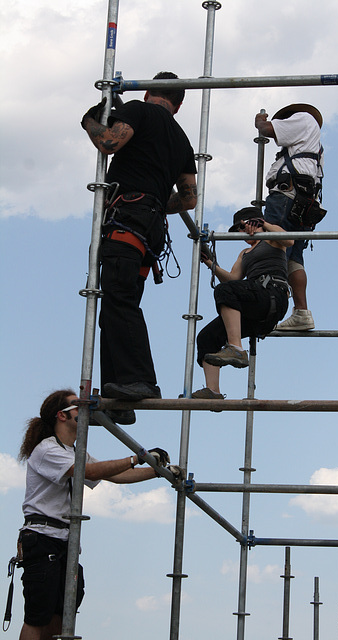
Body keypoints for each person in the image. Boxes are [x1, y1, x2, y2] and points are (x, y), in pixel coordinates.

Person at [17, 389, 181, 640]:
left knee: (60, 615)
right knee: (37, 615)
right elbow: (92, 472)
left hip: (64, 539)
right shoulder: (47, 449)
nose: (85, 408)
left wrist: (157, 471)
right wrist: (136, 458)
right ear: (61, 415)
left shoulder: (73, 451)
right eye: (77, 405)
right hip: (42, 537)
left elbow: (113, 475)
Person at [81, 72, 197, 421]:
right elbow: (189, 199)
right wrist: (157, 201)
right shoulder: (182, 139)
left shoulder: (139, 110)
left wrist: (89, 121)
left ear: (147, 92)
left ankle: (139, 381)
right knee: (118, 301)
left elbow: (110, 144)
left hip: (128, 217)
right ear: (178, 104)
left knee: (119, 300)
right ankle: (120, 393)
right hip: (148, 224)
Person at [192, 207, 293, 401]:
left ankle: (236, 349)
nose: (240, 233)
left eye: (241, 227)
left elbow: (289, 240)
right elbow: (232, 279)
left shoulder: (271, 237)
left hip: (272, 295)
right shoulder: (244, 253)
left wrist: (264, 225)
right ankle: (213, 392)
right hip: (254, 304)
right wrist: (211, 264)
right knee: (207, 337)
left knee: (226, 291)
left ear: (252, 222)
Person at [255, 103, 324, 330]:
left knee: (273, 244)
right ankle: (301, 312)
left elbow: (266, 129)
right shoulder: (311, 146)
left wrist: (261, 121)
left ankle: (268, 304)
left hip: (286, 196)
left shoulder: (303, 119)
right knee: (294, 257)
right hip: (302, 203)